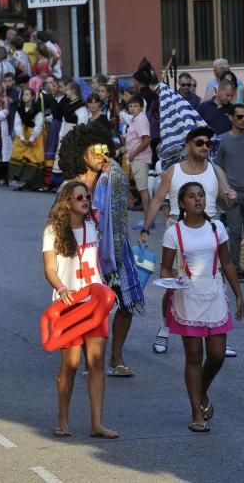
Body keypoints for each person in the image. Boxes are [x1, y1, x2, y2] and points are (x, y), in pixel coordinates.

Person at [140, 126, 237, 356]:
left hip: (211, 231)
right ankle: (165, 327)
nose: (205, 147)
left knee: (215, 283)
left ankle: (217, 330)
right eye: (200, 143)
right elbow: (156, 201)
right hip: (180, 231)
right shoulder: (173, 172)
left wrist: (231, 197)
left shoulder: (216, 171)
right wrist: (145, 228)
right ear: (188, 145)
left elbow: (225, 202)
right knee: (175, 287)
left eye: (208, 144)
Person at [58, 123, 144, 376]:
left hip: (115, 248)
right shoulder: (71, 186)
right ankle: (90, 360)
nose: (100, 155)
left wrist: (115, 175)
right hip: (85, 253)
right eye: (94, 150)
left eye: (103, 149)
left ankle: (115, 356)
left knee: (126, 303)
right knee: (89, 308)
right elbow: (58, 220)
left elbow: (126, 203)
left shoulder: (111, 177)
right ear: (80, 153)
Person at [160, 181, 244, 432]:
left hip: (214, 293)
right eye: (192, 196)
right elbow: (166, 266)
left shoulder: (216, 227)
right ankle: (196, 411)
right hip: (187, 296)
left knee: (217, 355)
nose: (198, 200)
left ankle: (202, 390)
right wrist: (169, 289)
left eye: (201, 195)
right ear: (182, 203)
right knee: (194, 356)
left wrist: (238, 294)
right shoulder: (174, 232)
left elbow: (227, 263)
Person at [42, 181, 118, 439]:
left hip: (95, 304)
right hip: (69, 306)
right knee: (71, 365)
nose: (85, 200)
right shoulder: (53, 230)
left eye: (87, 196)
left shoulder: (93, 226)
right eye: (79, 197)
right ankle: (63, 421)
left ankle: (97, 424)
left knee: (97, 363)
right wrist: (62, 289)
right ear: (66, 202)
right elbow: (50, 269)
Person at [216, 104, 244, 281]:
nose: (243, 120)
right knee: (235, 231)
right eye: (239, 117)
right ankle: (236, 269)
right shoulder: (223, 140)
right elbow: (218, 165)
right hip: (233, 192)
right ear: (231, 117)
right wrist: (226, 188)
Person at [9, 86, 45, 191]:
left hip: (34, 136)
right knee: (19, 155)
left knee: (34, 157)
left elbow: (39, 125)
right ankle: (20, 180)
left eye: (27, 95)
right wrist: (21, 137)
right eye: (24, 95)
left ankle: (34, 183)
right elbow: (17, 124)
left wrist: (31, 139)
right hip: (23, 135)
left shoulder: (37, 110)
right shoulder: (20, 109)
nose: (25, 97)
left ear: (33, 97)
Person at [125, 94, 152, 217]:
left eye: (136, 106)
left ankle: (148, 220)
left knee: (143, 189)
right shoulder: (135, 119)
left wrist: (133, 154)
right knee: (141, 189)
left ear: (141, 107)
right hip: (136, 158)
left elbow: (146, 140)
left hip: (140, 158)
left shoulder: (141, 119)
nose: (132, 108)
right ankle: (147, 218)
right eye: (130, 106)